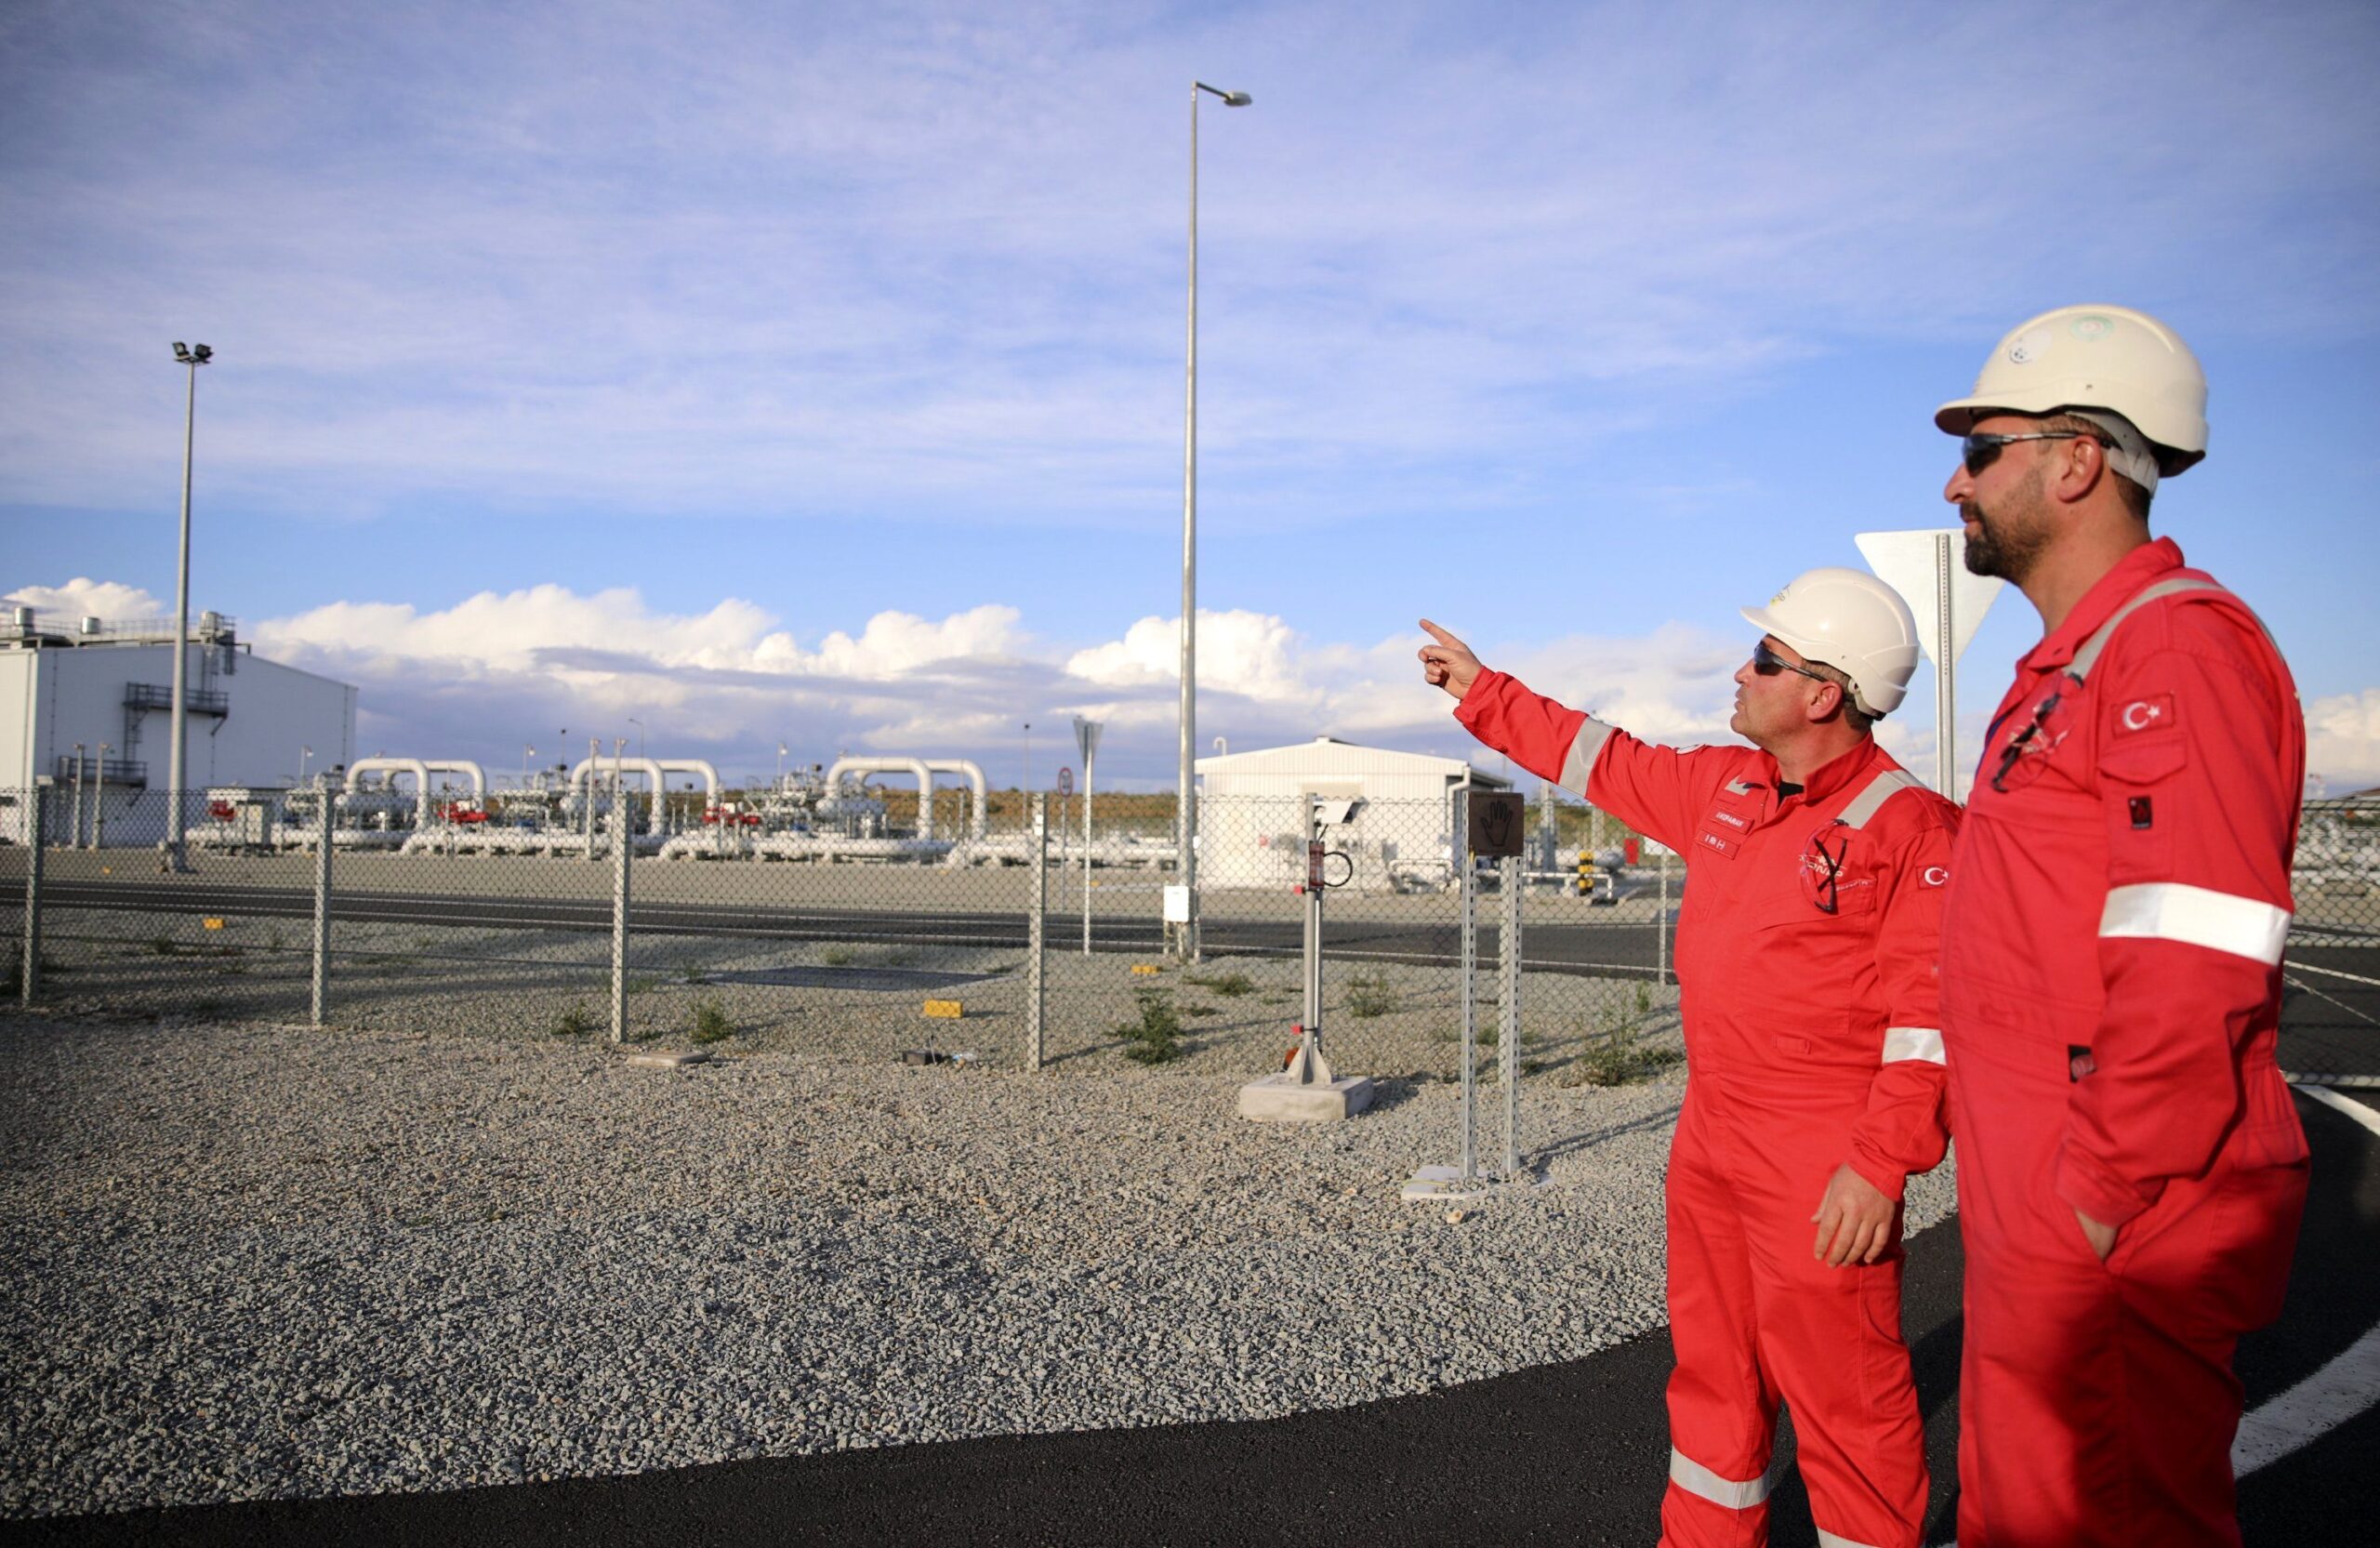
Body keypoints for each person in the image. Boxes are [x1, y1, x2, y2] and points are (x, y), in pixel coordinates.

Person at [1420, 570, 1958, 1548]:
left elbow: (1933, 1027)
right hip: (1712, 1137)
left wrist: (1878, 1168)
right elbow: (1600, 759)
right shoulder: (1727, 786)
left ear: (1823, 694)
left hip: (1820, 1155)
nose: (1741, 672)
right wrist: (1479, 689)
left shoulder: (1912, 830)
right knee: (1714, 1381)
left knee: (1848, 1399)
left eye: (1765, 658)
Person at [1933, 304, 2308, 1546]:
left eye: (1984, 450)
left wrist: (2087, 1200)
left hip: (2109, 1216)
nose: (1958, 480)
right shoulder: (2075, 666)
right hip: (2053, 1205)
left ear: (2077, 459)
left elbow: (2197, 953)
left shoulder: (2171, 654)